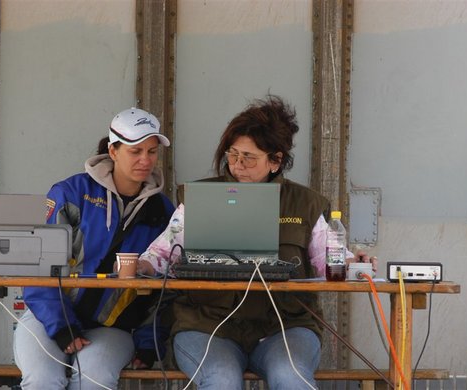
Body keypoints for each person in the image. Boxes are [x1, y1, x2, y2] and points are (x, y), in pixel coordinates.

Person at [139, 95, 378, 390]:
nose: (238, 165)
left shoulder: (304, 204)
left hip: (285, 328)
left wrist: (354, 264)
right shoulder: (199, 199)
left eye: (249, 157)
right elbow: (164, 251)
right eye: (233, 154)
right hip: (207, 326)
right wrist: (144, 264)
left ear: (276, 161)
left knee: (291, 376)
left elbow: (330, 259)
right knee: (221, 380)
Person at [13, 107, 175, 390]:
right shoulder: (71, 193)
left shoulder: (162, 210)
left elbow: (164, 286)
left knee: (95, 380)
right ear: (113, 151)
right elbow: (37, 267)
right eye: (135, 151)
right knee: (42, 380)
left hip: (112, 328)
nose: (145, 160)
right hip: (49, 317)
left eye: (151, 152)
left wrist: (150, 343)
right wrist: (62, 326)